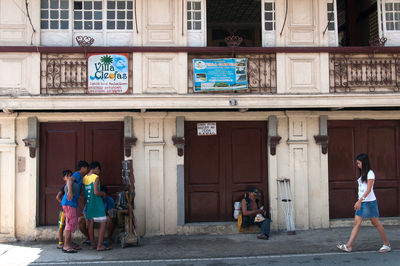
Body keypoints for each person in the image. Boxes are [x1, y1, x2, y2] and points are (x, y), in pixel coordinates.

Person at [337, 153, 391, 253]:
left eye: (358, 163)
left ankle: (387, 244)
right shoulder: (363, 174)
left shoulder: (370, 174)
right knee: (356, 223)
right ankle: (349, 246)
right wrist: (360, 201)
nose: (357, 165)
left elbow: (368, 190)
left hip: (369, 203)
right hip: (362, 202)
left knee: (376, 223)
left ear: (364, 163)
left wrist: (359, 201)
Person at [61, 161, 89, 253]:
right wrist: (69, 191)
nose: (87, 170)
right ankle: (66, 246)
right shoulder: (77, 174)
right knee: (69, 224)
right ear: (83, 168)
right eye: (86, 168)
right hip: (69, 203)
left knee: (72, 223)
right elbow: (69, 180)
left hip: (71, 203)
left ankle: (69, 243)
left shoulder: (80, 177)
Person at [82, 161, 111, 251]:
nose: (99, 172)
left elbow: (84, 193)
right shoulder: (96, 177)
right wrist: (103, 194)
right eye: (99, 170)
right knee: (103, 222)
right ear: (96, 168)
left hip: (89, 203)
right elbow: (96, 192)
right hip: (97, 204)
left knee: (90, 223)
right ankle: (99, 245)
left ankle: (93, 244)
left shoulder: (84, 178)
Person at [56, 170, 72, 249]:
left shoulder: (72, 186)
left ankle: (68, 241)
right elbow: (58, 197)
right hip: (64, 210)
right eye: (67, 176)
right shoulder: (64, 187)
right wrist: (63, 204)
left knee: (69, 225)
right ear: (64, 178)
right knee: (61, 226)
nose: (69, 177)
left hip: (70, 209)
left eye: (70, 175)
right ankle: (60, 242)